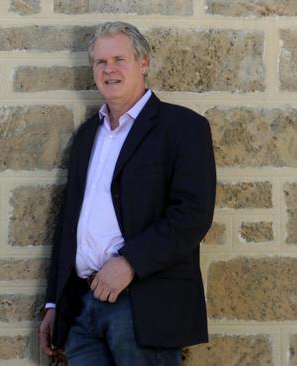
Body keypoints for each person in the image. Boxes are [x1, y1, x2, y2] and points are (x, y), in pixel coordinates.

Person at [39, 21, 216, 366]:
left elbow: (192, 214)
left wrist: (130, 262)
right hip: (81, 308)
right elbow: (68, 224)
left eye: (119, 59)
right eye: (101, 62)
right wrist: (53, 304)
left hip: (142, 305)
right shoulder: (88, 134)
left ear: (144, 63)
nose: (110, 70)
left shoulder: (183, 128)